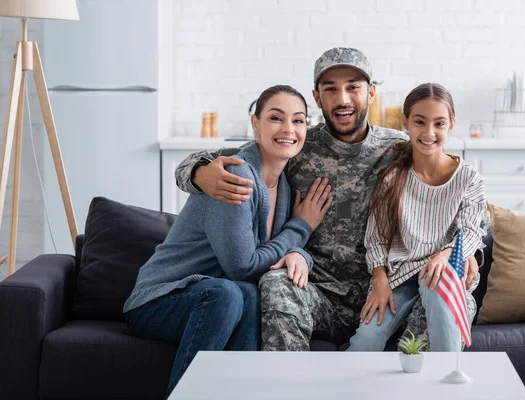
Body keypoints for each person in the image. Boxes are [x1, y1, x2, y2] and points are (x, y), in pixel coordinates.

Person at [174, 47, 481, 351]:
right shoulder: (294, 143)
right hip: (316, 291)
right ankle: (290, 387)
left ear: (371, 93)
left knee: (454, 301)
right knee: (275, 284)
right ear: (317, 97)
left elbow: (462, 199)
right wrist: (200, 173)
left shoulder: (399, 148)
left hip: (387, 292)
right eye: (331, 89)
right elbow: (219, 161)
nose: (343, 99)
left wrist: (467, 254)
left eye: (353, 88)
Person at [123, 85, 332, 395]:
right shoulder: (235, 177)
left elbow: (277, 255)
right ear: (255, 124)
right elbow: (243, 267)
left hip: (220, 297)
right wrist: (301, 226)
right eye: (276, 118)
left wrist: (301, 253)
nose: (288, 128)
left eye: (299, 120)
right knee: (229, 293)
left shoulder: (285, 186)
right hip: (159, 299)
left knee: (247, 296)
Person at [347, 83, 487, 351]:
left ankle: (447, 382)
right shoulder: (392, 178)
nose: (429, 133)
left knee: (439, 282)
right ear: (406, 122)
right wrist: (379, 281)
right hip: (399, 275)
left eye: (439, 124)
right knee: (366, 339)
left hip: (439, 270)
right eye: (420, 122)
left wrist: (444, 255)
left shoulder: (468, 178)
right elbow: (376, 239)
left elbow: (471, 231)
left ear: (451, 125)